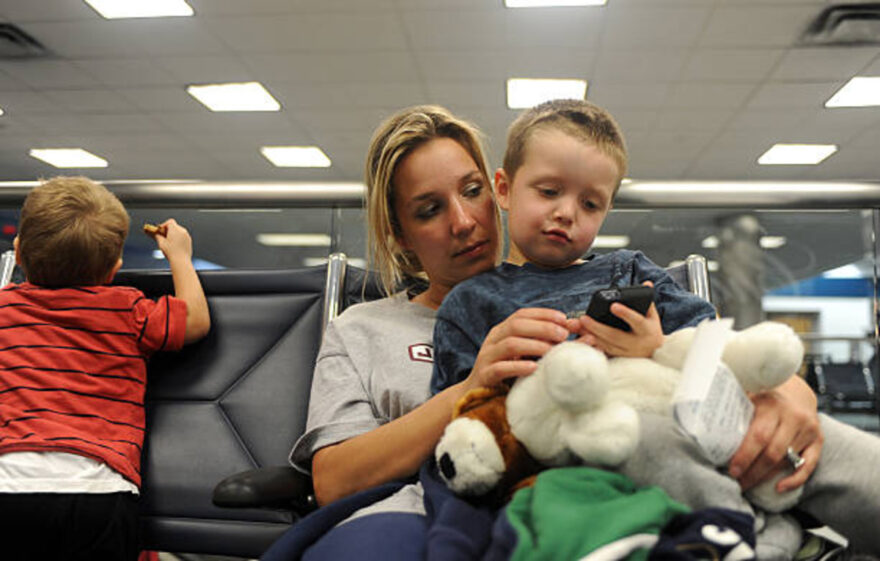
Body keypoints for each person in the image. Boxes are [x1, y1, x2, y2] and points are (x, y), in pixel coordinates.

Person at [430, 99, 880, 557]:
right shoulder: (471, 304)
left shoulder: (629, 270)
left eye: (590, 203)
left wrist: (655, 346)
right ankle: (747, 534)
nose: (568, 213)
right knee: (644, 436)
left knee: (827, 446)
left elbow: (712, 342)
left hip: (701, 416)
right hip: (599, 442)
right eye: (549, 192)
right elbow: (466, 429)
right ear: (504, 189)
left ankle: (774, 525)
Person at [263, 105, 580, 560]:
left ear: (499, 193)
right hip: (409, 514)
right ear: (400, 235)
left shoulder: (568, 305)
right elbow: (334, 480)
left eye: (473, 192)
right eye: (430, 210)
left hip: (554, 504)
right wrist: (468, 389)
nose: (464, 222)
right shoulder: (361, 329)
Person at [0, 176, 210, 560]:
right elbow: (195, 320)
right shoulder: (127, 310)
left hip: (9, 484)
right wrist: (178, 255)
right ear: (114, 268)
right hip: (98, 490)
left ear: (17, 252)